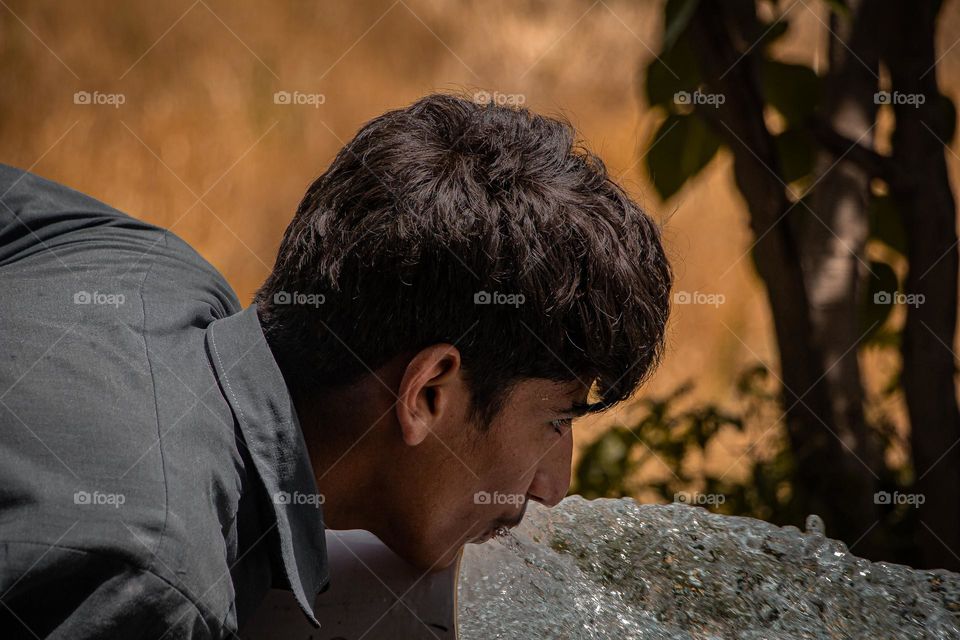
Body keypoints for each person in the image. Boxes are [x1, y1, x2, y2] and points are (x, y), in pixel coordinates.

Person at [0, 92, 672, 639]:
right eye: (556, 422)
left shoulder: (130, 256)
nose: (553, 487)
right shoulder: (154, 583)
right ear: (428, 392)